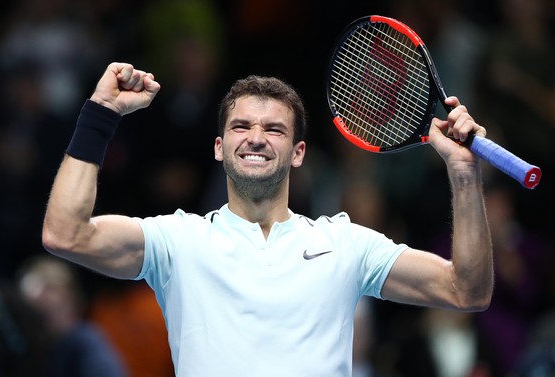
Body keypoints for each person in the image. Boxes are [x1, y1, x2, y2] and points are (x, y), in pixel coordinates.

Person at [42, 62, 493, 377]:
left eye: (274, 129)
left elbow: (466, 290)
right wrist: (100, 114)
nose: (256, 138)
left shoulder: (346, 244)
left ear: (298, 154)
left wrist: (463, 173)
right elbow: (66, 234)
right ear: (219, 147)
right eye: (241, 127)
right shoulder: (177, 240)